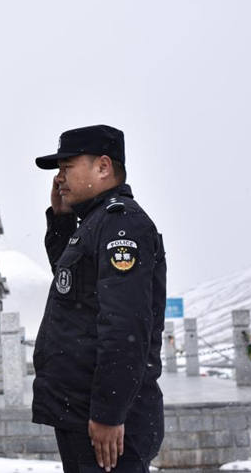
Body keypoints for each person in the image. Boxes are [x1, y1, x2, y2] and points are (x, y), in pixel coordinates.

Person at [31, 125, 166, 472]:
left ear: (103, 167)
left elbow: (124, 326)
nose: (59, 178)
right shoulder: (94, 222)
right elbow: (72, 290)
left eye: (67, 167)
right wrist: (61, 220)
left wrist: (109, 412)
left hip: (106, 422)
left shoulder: (122, 225)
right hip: (81, 412)